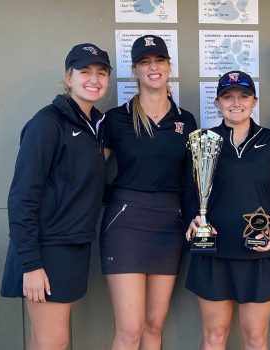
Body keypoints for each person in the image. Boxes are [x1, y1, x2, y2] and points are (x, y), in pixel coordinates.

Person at [0, 43, 111, 349]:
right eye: (84, 71)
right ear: (68, 78)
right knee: (55, 343)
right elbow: (22, 196)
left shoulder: (95, 127)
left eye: (101, 72)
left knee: (44, 341)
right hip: (45, 249)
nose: (93, 79)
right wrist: (32, 264)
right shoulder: (47, 123)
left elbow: (84, 187)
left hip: (73, 245)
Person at [100, 34, 197, 350]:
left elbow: (189, 181)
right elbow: (90, 173)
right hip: (126, 223)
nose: (153, 68)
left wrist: (194, 218)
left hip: (169, 224)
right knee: (130, 330)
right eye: (145, 62)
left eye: (159, 61)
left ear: (169, 66)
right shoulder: (116, 119)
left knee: (154, 325)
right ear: (135, 70)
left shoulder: (185, 120)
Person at [185, 70, 270, 350]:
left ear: (254, 101)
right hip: (214, 249)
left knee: (256, 339)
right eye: (228, 97)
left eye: (243, 96)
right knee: (214, 336)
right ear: (218, 103)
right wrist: (194, 219)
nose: (236, 103)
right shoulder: (203, 142)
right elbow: (189, 191)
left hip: (258, 250)